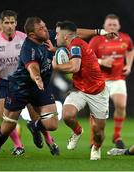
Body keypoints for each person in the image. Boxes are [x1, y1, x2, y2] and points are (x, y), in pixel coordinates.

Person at [0, 12, 60, 156]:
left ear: (16, 23)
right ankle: (12, 146)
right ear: (1, 24)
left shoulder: (24, 38)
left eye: (12, 22)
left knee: (36, 116)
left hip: (30, 83)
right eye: (6, 22)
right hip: (8, 83)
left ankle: (49, 141)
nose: (10, 25)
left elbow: (37, 54)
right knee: (6, 120)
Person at [52, 20, 109, 160]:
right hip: (80, 89)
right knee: (67, 115)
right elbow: (77, 32)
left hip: (97, 92)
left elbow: (74, 67)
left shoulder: (76, 45)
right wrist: (54, 50)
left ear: (66, 36)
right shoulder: (74, 42)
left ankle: (96, 147)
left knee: (98, 132)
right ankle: (77, 132)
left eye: (57, 34)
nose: (55, 37)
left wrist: (56, 66)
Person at [89, 14, 134, 149]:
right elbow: (88, 58)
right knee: (96, 112)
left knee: (121, 105)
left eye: (114, 24)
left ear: (119, 26)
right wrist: (102, 61)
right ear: (104, 26)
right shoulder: (97, 40)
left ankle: (116, 135)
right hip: (99, 80)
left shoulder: (125, 39)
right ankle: (93, 140)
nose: (112, 27)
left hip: (118, 78)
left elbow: (131, 50)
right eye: (109, 24)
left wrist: (129, 65)